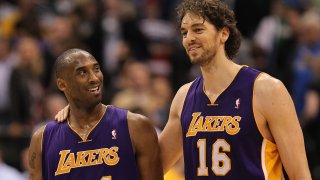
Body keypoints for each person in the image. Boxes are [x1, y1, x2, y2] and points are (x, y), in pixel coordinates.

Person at [56, 0, 312, 179]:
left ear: (223, 34)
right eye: (184, 32)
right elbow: (151, 167)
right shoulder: (184, 96)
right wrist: (86, 112)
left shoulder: (266, 90)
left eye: (198, 29)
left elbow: (300, 174)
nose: (189, 38)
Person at [28, 48, 163, 180]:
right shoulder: (42, 139)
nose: (94, 78)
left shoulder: (136, 126)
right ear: (62, 85)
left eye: (96, 69)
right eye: (82, 72)